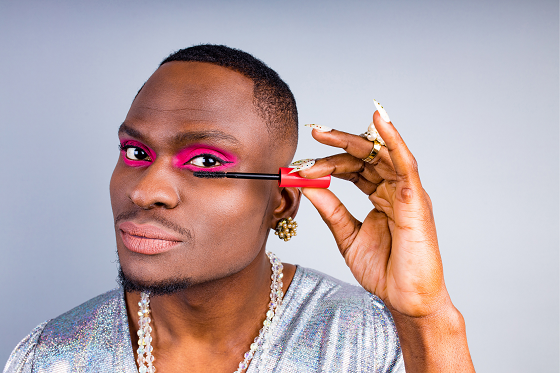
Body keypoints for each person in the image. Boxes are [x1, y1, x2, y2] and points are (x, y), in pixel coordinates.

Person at [3, 44, 475, 373]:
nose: (146, 191)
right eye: (136, 153)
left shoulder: (368, 343)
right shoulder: (51, 357)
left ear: (282, 201)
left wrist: (426, 318)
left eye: (206, 161)